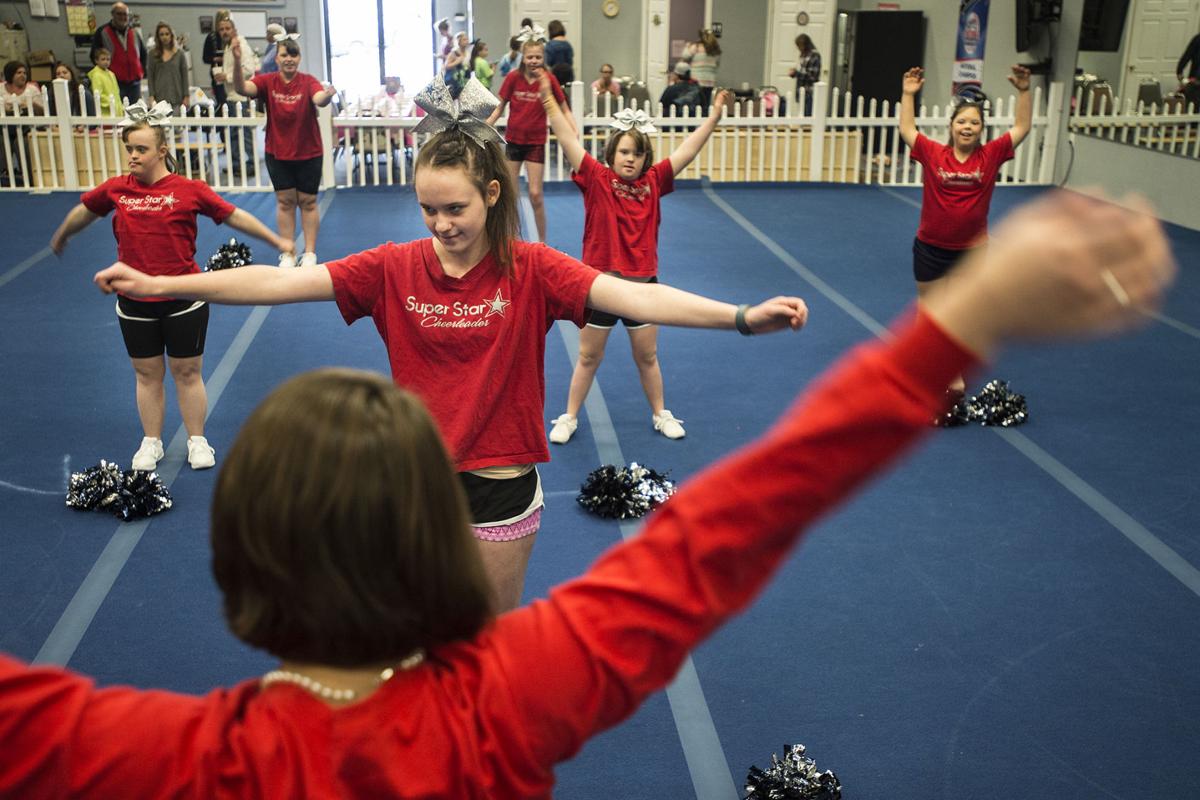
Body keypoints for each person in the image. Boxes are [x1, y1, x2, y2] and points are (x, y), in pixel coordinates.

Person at [0, 189, 1173, 798]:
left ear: (236, 564)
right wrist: (960, 323)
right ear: (424, 534)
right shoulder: (508, 703)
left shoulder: (172, 756)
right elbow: (739, 517)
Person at [90, 78, 808, 612]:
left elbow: (639, 295)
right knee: (424, 635)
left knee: (489, 643)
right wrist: (161, 283)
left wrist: (741, 317)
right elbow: (280, 287)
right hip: (419, 484)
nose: (440, 223)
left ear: (493, 195)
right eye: (428, 208)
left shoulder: (534, 271)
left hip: (500, 489)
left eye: (455, 208)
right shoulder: (395, 267)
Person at [49, 107, 291, 473]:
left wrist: (275, 238)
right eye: (129, 148)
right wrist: (63, 233)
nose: (132, 155)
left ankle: (197, 439)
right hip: (134, 301)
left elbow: (233, 215)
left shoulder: (188, 190)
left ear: (162, 151)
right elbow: (85, 211)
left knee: (187, 372)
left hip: (184, 299)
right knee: (146, 374)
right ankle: (152, 441)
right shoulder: (117, 188)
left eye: (141, 149)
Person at [544, 83, 735, 444]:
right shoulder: (597, 180)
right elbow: (568, 139)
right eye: (624, 152)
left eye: (637, 153)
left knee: (647, 356)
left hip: (643, 288)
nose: (630, 159)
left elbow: (687, 150)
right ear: (611, 153)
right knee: (588, 357)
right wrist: (546, 96)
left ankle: (661, 412)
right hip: (600, 288)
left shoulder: (654, 181)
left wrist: (714, 116)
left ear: (645, 158)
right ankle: (568, 416)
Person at [898, 64, 1031, 401]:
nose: (967, 127)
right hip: (929, 246)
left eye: (974, 122)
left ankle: (952, 369)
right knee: (928, 311)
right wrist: (908, 95)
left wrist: (1024, 91)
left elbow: (1022, 127)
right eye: (962, 121)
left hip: (970, 250)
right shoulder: (934, 153)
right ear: (951, 127)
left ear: (982, 129)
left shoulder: (990, 155)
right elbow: (907, 129)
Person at [230, 34, 335, 268]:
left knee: (308, 202)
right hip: (278, 152)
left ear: (299, 58)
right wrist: (237, 61)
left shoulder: (308, 81)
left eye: (293, 54)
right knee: (285, 202)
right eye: (284, 54)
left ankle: (309, 253)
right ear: (276, 58)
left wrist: (327, 95)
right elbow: (241, 88)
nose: (289, 59)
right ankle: (288, 251)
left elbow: (319, 99)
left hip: (309, 152)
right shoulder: (267, 81)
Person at [487, 32, 578, 243]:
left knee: (536, 194)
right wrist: (485, 126)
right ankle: (509, 238)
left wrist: (573, 128)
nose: (534, 61)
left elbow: (564, 107)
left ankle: (542, 242)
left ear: (543, 58)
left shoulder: (549, 80)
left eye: (538, 57)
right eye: (530, 57)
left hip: (535, 142)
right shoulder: (512, 78)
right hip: (514, 141)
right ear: (523, 57)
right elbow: (499, 107)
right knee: (509, 194)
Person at [212, 9, 258, 178]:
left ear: (234, 29)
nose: (224, 32)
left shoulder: (241, 46)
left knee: (244, 133)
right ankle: (238, 164)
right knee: (232, 134)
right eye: (221, 29)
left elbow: (249, 70)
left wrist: (227, 77)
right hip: (231, 96)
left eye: (227, 29)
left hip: (240, 97)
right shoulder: (228, 47)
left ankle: (251, 163)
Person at [92, 1, 146, 107]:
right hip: (115, 82)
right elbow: (94, 55)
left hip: (135, 83)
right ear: (112, 14)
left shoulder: (135, 32)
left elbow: (143, 54)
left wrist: (142, 72)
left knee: (136, 114)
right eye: (119, 14)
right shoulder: (103, 32)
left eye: (125, 14)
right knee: (118, 113)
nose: (122, 17)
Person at [147, 21, 189, 110]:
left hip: (177, 98)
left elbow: (185, 76)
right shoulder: (152, 54)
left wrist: (186, 96)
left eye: (167, 34)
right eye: (161, 34)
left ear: (171, 35)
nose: (164, 37)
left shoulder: (180, 54)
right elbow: (150, 77)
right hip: (159, 99)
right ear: (158, 37)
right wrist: (151, 95)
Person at [683, 29, 720, 109]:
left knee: (695, 106)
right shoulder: (715, 50)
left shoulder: (696, 47)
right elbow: (716, 65)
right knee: (705, 106)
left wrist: (687, 46)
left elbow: (685, 56)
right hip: (710, 83)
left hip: (696, 82)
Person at [788, 33, 820, 115]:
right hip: (800, 90)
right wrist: (794, 74)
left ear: (806, 45)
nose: (799, 48)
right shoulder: (802, 56)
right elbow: (801, 71)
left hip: (809, 92)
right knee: (801, 114)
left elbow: (813, 76)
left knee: (808, 115)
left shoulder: (815, 56)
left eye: (800, 46)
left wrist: (797, 73)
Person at [87, 46, 123, 117]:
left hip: (116, 109)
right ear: (96, 61)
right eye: (103, 59)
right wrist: (111, 102)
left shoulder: (111, 74)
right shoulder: (96, 75)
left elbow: (117, 92)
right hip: (105, 112)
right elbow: (98, 95)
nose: (106, 62)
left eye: (108, 59)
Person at [202, 24, 226, 107]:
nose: (225, 31)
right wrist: (218, 59)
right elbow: (205, 58)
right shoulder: (212, 37)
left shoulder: (233, 40)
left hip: (230, 76)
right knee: (222, 102)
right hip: (217, 74)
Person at [544, 20, 574, 85]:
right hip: (568, 76)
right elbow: (570, 62)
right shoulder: (568, 45)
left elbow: (547, 64)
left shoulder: (550, 45)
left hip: (554, 77)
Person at [1177, 31, 1200, 110]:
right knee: (1193, 108)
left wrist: (1180, 72)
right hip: (1194, 82)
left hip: (1195, 81)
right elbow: (1187, 55)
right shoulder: (1198, 39)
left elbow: (1187, 55)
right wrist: (1180, 72)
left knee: (1193, 108)